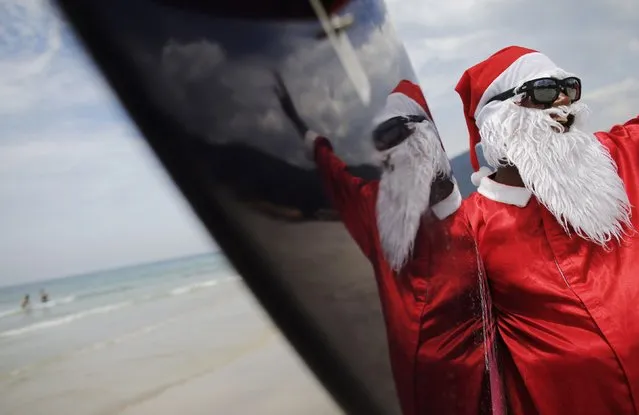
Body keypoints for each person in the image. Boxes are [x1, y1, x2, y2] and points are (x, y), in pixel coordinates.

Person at [276, 45, 639, 415]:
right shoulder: (473, 229)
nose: (564, 99)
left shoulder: (622, 156)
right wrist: (307, 132)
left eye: (570, 88)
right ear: (499, 119)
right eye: (544, 90)